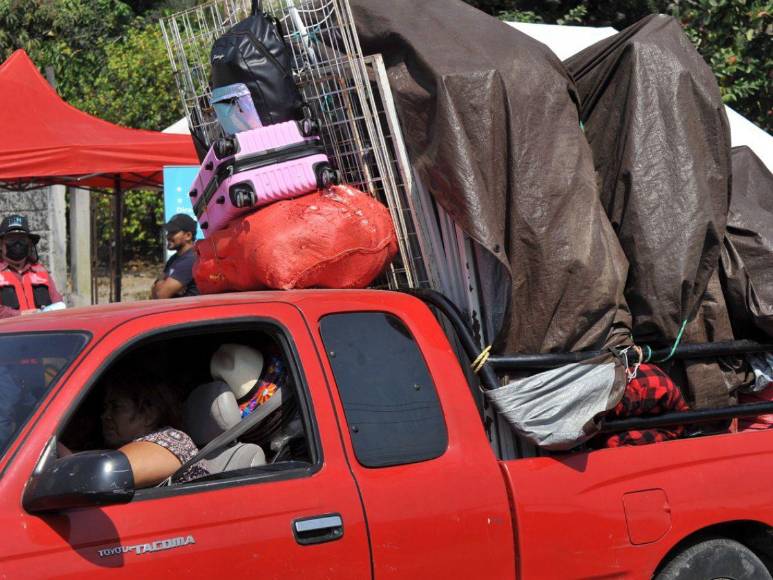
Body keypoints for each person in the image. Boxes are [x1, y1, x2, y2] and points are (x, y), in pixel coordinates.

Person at [96, 369, 208, 488]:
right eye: (106, 407)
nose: (105, 415)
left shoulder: (171, 441)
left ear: (149, 415)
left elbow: (101, 476)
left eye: (116, 407)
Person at [0, 214, 65, 318]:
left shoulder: (41, 272)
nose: (18, 243)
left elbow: (58, 304)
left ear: (29, 243)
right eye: (11, 239)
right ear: (1, 244)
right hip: (8, 333)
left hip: (41, 331)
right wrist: (20, 315)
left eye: (22, 239)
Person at [151, 214, 199, 299]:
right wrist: (163, 283)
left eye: (173, 232)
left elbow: (160, 295)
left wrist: (162, 282)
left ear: (188, 236)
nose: (168, 236)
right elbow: (154, 293)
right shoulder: (174, 258)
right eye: (168, 232)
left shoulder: (190, 260)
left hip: (186, 311)